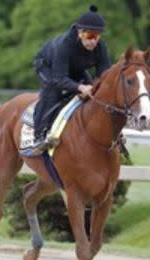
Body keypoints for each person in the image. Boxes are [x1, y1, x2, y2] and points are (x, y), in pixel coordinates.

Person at [31, 4, 111, 150]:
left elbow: (104, 77)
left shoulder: (101, 47)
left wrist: (96, 88)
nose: (93, 41)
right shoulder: (64, 45)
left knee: (94, 94)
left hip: (74, 69)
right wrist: (80, 87)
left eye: (97, 36)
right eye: (89, 36)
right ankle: (39, 136)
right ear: (80, 32)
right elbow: (59, 79)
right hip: (48, 67)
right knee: (53, 92)